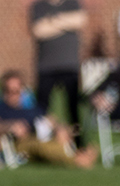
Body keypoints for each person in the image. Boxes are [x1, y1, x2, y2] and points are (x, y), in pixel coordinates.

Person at [0, 70, 97, 169]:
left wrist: (59, 129)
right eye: (9, 91)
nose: (13, 95)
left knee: (59, 137)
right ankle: (78, 160)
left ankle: (79, 154)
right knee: (40, 146)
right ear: (3, 91)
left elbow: (52, 119)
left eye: (17, 91)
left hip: (44, 137)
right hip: (21, 143)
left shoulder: (32, 108)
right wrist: (10, 126)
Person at [30, 0, 87, 149]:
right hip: (46, 67)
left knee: (73, 110)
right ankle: (41, 143)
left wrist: (51, 21)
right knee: (42, 110)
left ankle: (78, 143)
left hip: (69, 67)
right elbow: (38, 31)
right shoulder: (39, 6)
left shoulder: (72, 4)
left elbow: (80, 21)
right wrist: (66, 22)